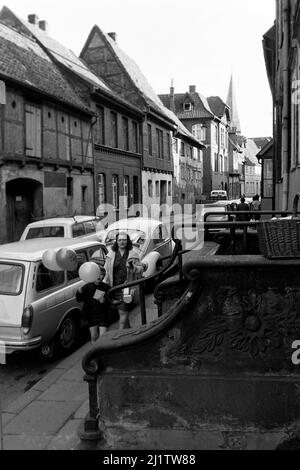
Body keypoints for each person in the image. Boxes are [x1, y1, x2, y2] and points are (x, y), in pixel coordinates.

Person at [104, 232, 146, 330]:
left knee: (122, 313)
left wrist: (133, 267)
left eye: (124, 240)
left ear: (127, 241)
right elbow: (106, 272)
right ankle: (130, 331)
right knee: (123, 313)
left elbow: (140, 271)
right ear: (116, 241)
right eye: (119, 240)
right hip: (113, 288)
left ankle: (119, 338)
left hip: (127, 288)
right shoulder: (110, 254)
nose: (122, 242)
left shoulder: (133, 254)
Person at [76, 265, 110, 345]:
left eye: (101, 274)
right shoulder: (87, 286)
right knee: (94, 337)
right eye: (97, 274)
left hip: (103, 315)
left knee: (103, 337)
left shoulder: (106, 287)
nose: (99, 277)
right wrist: (79, 292)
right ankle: (96, 354)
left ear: (104, 276)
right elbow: (79, 299)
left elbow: (111, 302)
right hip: (91, 316)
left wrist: (104, 301)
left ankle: (104, 353)